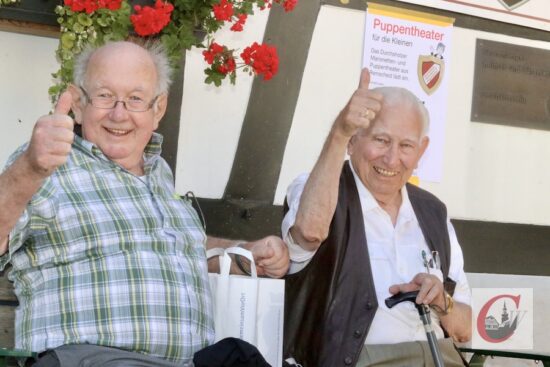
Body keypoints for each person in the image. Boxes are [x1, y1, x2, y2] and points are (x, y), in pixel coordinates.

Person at [0, 41, 289, 367]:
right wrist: (28, 168)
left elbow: (176, 247)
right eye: (105, 95)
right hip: (90, 359)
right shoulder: (49, 167)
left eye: (135, 99)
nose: (119, 113)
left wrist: (242, 253)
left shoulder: (159, 176)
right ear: (78, 104)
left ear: (158, 110)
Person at [281, 68, 471, 367]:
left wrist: (441, 302)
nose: (392, 159)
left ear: (422, 151)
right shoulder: (316, 187)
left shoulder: (434, 212)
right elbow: (308, 234)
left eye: (406, 146)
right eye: (381, 140)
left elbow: (463, 330)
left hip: (438, 358)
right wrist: (338, 132)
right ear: (353, 141)